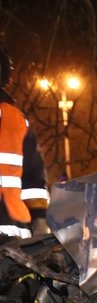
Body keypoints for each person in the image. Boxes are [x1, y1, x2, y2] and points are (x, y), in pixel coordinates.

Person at [0, 42, 49, 243]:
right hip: (15, 236)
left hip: (14, 239)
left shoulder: (18, 120)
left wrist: (39, 220)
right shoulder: (17, 120)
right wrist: (39, 221)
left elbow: (33, 181)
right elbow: (34, 179)